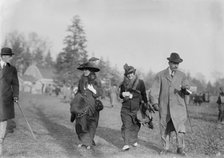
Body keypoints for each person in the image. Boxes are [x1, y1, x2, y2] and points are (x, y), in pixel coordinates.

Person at [149, 52, 190, 156]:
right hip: (165, 107)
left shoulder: (182, 75)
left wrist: (186, 89)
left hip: (179, 107)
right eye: (174, 63)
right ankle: (165, 148)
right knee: (165, 128)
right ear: (169, 63)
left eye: (178, 63)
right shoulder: (160, 75)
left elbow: (187, 87)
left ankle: (180, 148)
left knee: (180, 129)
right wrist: (154, 103)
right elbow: (154, 91)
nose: (176, 65)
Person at [70, 61, 102, 149]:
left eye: (87, 69)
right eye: (84, 69)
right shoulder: (81, 80)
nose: (85, 71)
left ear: (91, 70)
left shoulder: (96, 80)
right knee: (80, 123)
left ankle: (89, 142)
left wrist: (93, 90)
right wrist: (76, 96)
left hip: (92, 105)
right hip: (81, 104)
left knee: (91, 124)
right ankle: (83, 140)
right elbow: (79, 91)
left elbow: (100, 92)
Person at [119, 63, 148, 151]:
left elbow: (143, 94)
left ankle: (134, 139)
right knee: (126, 125)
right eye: (128, 74)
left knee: (136, 125)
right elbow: (120, 95)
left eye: (131, 73)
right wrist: (122, 94)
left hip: (137, 108)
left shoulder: (140, 82)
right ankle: (126, 143)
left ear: (134, 73)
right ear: (126, 75)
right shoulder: (124, 83)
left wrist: (145, 105)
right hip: (126, 108)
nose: (130, 75)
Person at [0, 47, 19, 155]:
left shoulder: (12, 69)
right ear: (2, 56)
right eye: (7, 56)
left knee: (3, 119)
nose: (9, 58)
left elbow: (15, 84)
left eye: (10, 56)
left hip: (6, 98)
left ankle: (0, 138)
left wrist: (16, 95)